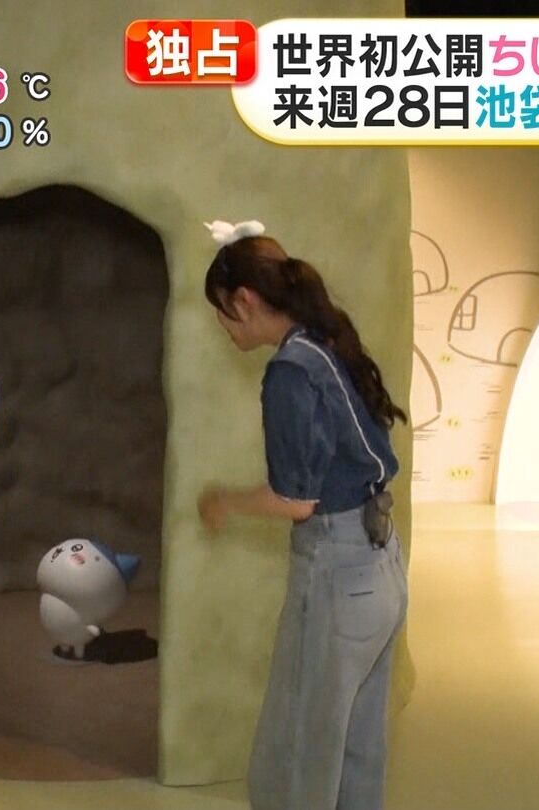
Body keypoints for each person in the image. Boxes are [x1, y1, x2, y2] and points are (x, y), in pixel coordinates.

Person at [196, 220, 408, 810]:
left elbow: (297, 500)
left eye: (221, 311)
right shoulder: (327, 343)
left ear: (244, 301)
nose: (223, 327)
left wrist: (225, 501)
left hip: (337, 572)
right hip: (383, 566)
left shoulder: (290, 371)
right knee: (358, 745)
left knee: (300, 747)